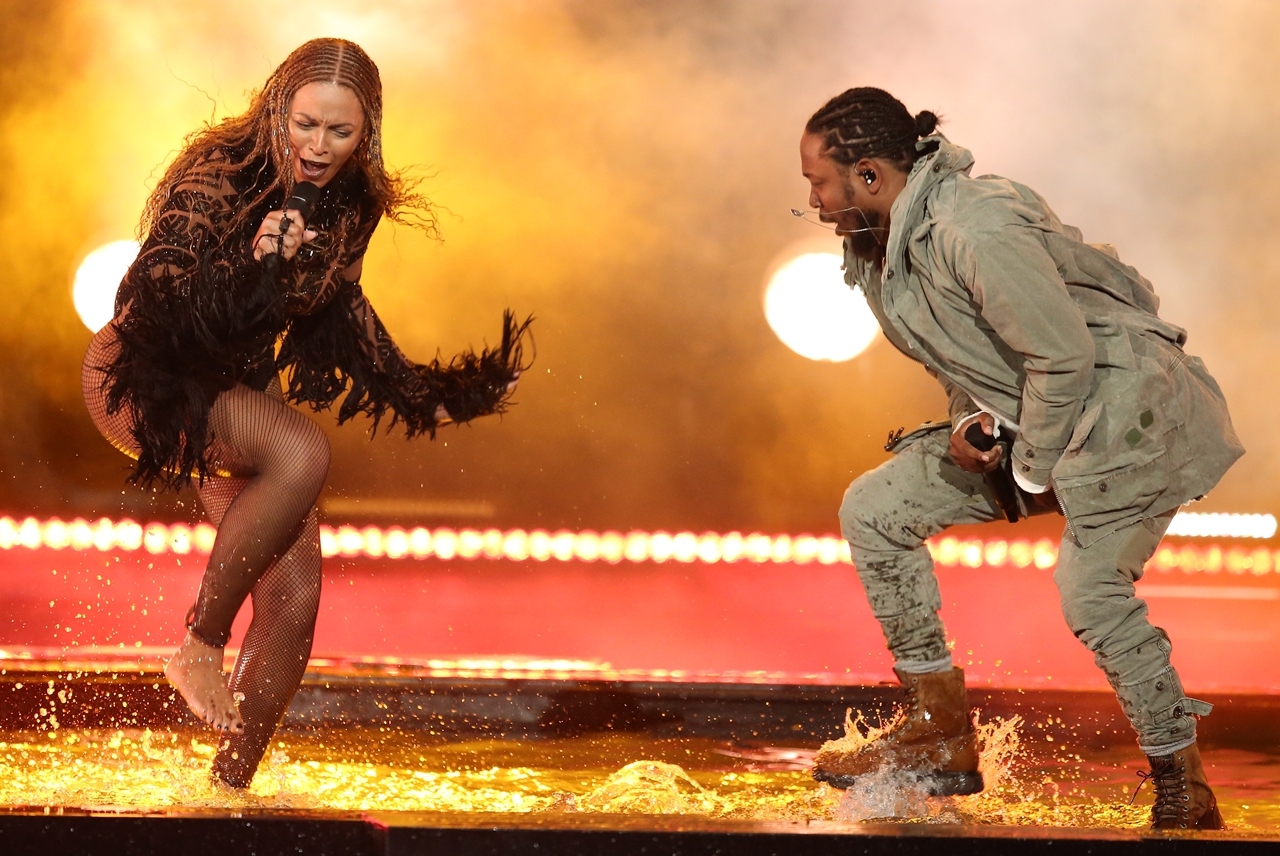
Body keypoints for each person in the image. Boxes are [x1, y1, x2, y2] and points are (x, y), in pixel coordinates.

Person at [81, 38, 529, 788]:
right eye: (305, 125)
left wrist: (436, 394)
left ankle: (226, 789)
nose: (317, 148)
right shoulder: (221, 172)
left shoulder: (355, 204)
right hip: (148, 374)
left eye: (339, 133)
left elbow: (340, 313)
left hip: (237, 387)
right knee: (302, 451)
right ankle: (199, 644)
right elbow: (151, 300)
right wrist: (251, 264)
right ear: (277, 111)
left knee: (294, 597)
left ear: (367, 134)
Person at [797, 87, 1242, 830]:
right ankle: (940, 730)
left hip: (1130, 420)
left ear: (868, 175)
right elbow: (961, 359)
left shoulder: (973, 226)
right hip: (1042, 421)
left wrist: (1027, 468)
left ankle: (1182, 785)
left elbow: (1064, 355)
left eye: (818, 181)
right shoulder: (880, 249)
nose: (811, 199)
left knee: (1090, 591)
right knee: (873, 510)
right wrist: (973, 423)